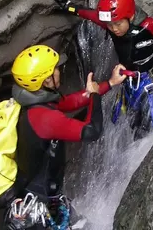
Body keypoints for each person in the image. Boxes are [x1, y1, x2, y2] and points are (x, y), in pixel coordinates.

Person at [49, 0, 153, 140]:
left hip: (151, 82)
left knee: (147, 124)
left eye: (117, 24)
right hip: (129, 82)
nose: (114, 29)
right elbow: (90, 14)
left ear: (130, 17)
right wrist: (69, 5)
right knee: (133, 119)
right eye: (110, 25)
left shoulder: (149, 27)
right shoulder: (111, 23)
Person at [8, 45, 128, 228]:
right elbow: (91, 131)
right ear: (46, 80)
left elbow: (69, 102)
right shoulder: (45, 119)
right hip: (39, 207)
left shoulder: (35, 103)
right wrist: (95, 96)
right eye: (55, 69)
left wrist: (109, 83)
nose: (59, 71)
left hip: (42, 195)